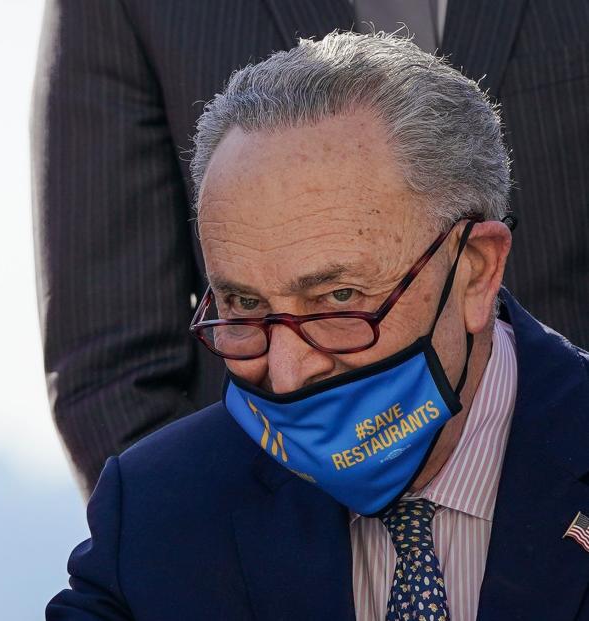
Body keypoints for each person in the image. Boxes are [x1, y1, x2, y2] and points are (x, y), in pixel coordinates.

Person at [47, 32, 589, 619]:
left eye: (338, 298)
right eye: (246, 306)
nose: (285, 373)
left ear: (476, 272)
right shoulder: (161, 504)